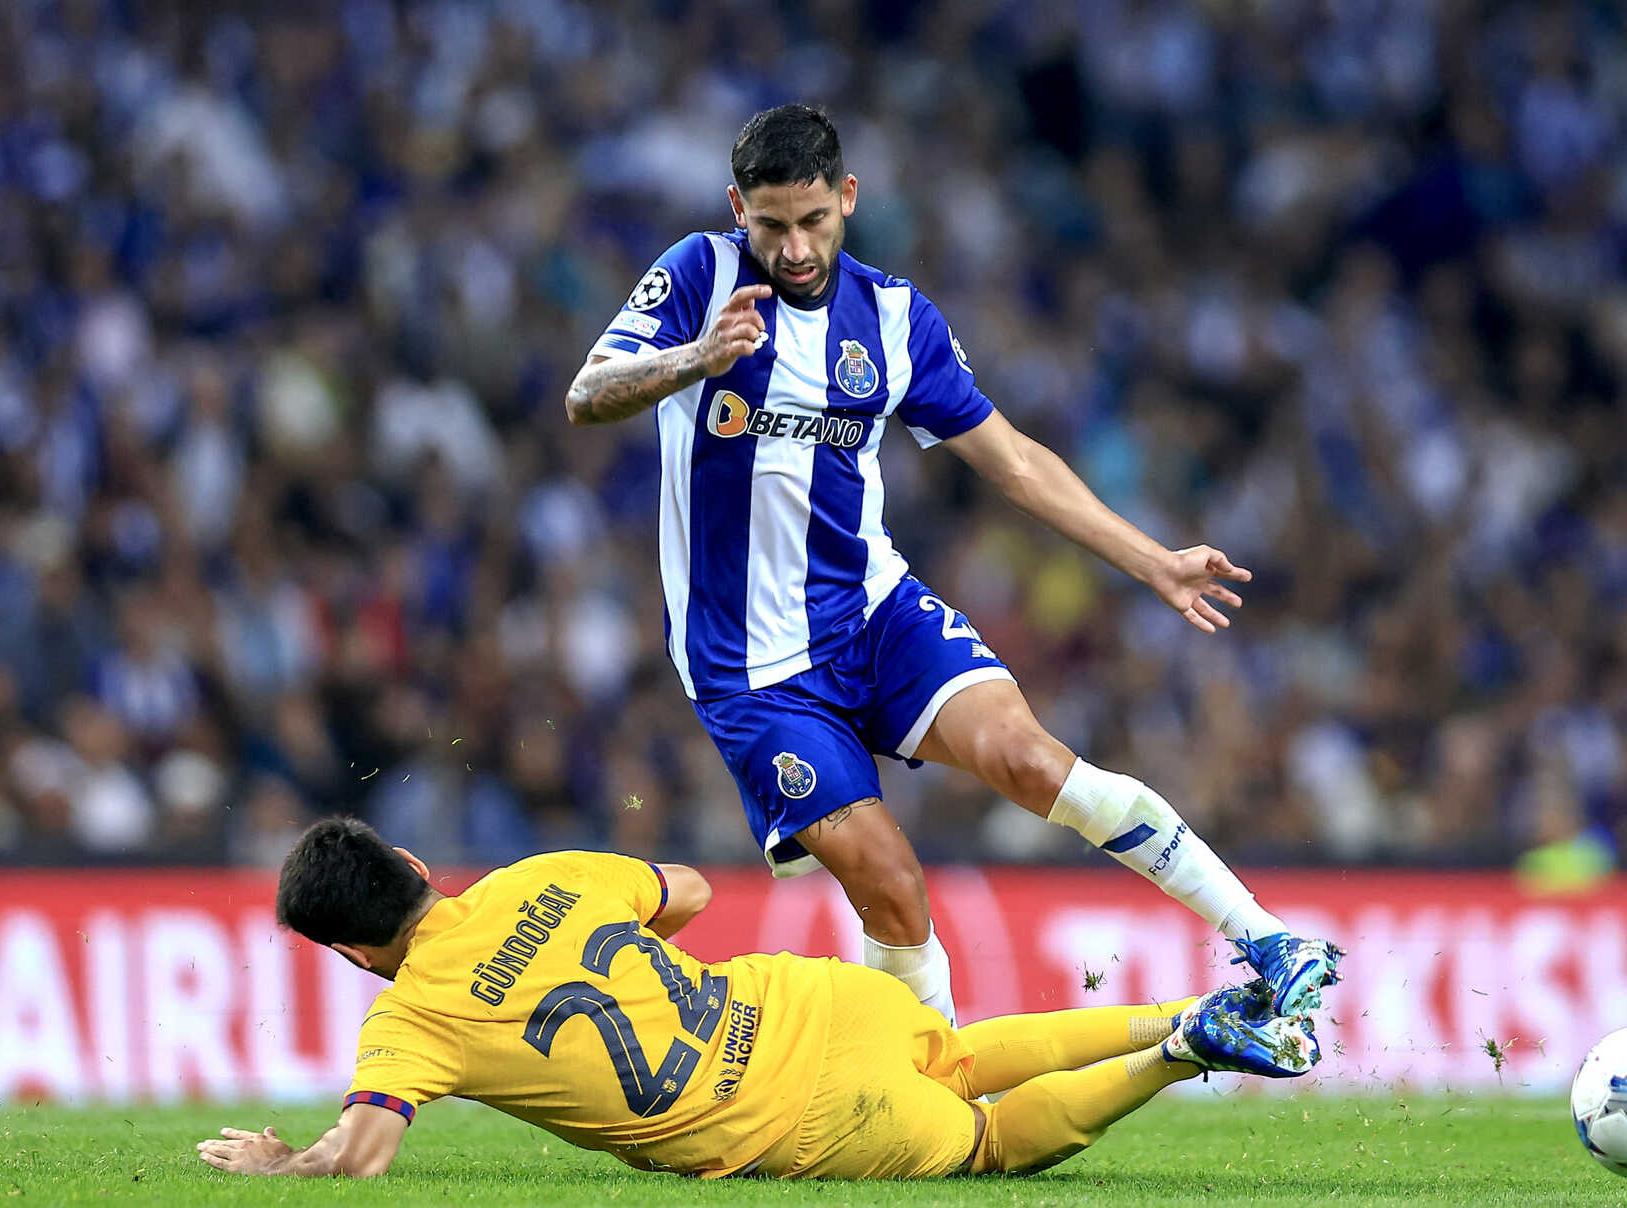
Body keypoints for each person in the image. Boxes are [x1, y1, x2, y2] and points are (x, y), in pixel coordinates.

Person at [563, 103, 1341, 1022]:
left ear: (847, 198)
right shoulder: (699, 275)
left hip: (872, 611)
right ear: (739, 209)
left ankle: (1268, 939)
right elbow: (587, 396)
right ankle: (927, 1099)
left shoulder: (892, 318)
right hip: (749, 666)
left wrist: (1153, 561)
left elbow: (1013, 461)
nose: (797, 246)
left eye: (814, 220)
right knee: (891, 885)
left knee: (1029, 759)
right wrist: (697, 357)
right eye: (772, 225)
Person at [194, 818, 1321, 1180]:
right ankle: (1178, 1006)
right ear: (413, 858)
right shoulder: (542, 875)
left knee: (981, 1144)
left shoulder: (406, 1021)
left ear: (348, 951)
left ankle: (1178, 1049)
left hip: (794, 1116)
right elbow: (683, 888)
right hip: (808, 1000)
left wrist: (280, 1163)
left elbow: (364, 1153)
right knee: (964, 1049)